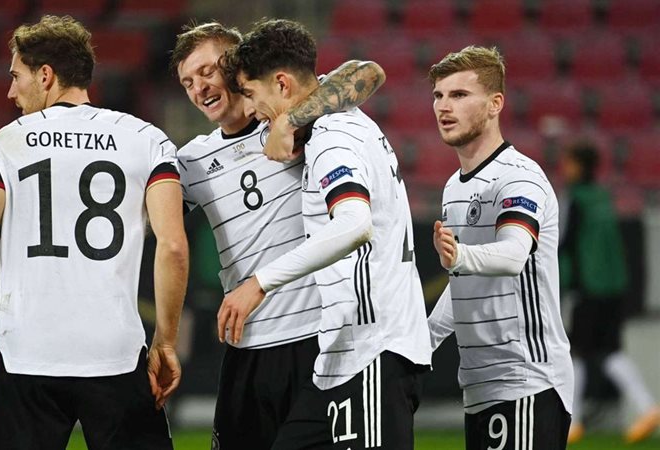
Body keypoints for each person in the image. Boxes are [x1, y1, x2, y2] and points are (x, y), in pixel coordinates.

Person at [0, 15, 188, 450]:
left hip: (27, 350)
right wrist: (166, 340)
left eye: (16, 77)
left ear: (46, 75)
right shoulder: (146, 139)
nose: (10, 92)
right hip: (116, 351)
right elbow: (172, 247)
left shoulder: (10, 141)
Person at [171, 21, 388, 450]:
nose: (199, 88)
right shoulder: (192, 160)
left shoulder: (298, 115)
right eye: (187, 82)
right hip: (247, 344)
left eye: (207, 72)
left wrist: (291, 119)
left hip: (316, 337)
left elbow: (369, 72)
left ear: (235, 68)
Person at [218, 19, 432, 449]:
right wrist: (290, 120)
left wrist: (259, 283)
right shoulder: (336, 117)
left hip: (373, 350)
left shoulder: (332, 139)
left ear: (281, 84)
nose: (251, 109)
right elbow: (361, 71)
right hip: (343, 358)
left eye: (251, 93)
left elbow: (353, 224)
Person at [426, 46, 573, 450]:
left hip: (526, 382)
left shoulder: (519, 177)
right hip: (480, 386)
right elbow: (464, 284)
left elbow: (512, 254)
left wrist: (460, 256)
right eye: (438, 95)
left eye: (459, 95)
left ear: (495, 104)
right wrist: (423, 342)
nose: (443, 106)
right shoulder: (454, 186)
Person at [559, 143, 659, 444]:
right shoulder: (604, 198)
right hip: (614, 288)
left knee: (577, 352)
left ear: (578, 165)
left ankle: (572, 421)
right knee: (609, 352)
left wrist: (560, 282)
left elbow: (566, 243)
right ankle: (647, 407)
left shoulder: (576, 199)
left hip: (588, 287)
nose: (565, 168)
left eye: (569, 162)